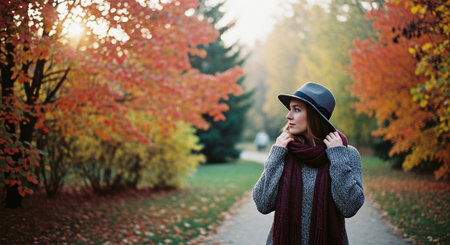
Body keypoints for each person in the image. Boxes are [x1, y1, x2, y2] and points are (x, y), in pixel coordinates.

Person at [252, 82, 364, 245]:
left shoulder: (346, 154)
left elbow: (349, 207)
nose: (288, 116)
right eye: (290, 109)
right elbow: (263, 204)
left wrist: (337, 157)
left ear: (314, 116)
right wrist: (275, 156)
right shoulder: (284, 151)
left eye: (296, 109)